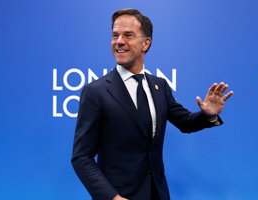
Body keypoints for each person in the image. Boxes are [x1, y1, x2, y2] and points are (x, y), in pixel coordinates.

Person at [71, 8, 233, 200]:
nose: (119, 41)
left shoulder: (160, 86)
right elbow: (81, 157)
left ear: (146, 43)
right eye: (115, 35)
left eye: (128, 35)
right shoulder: (95, 92)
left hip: (158, 194)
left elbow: (186, 122)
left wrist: (210, 115)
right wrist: (112, 197)